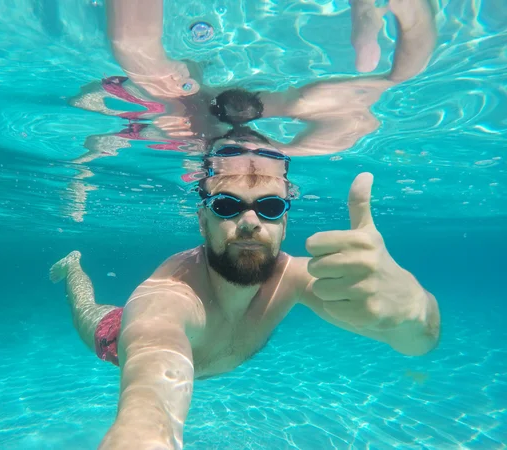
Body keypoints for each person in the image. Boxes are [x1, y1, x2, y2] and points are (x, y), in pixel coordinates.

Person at [50, 127, 441, 449]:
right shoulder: (167, 298)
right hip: (115, 335)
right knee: (88, 308)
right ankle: (73, 270)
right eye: (227, 206)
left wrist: (415, 309)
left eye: (270, 207)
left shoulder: (295, 278)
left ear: (284, 223)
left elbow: (419, 343)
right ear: (203, 221)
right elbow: (147, 401)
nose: (250, 222)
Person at [68, 0, 436, 161]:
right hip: (226, 102)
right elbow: (395, 80)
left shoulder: (175, 130)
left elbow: (103, 134)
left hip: (182, 96)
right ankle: (371, 15)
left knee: (132, 48)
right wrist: (415, 22)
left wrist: (83, 171)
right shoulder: (295, 133)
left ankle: (371, 19)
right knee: (387, 79)